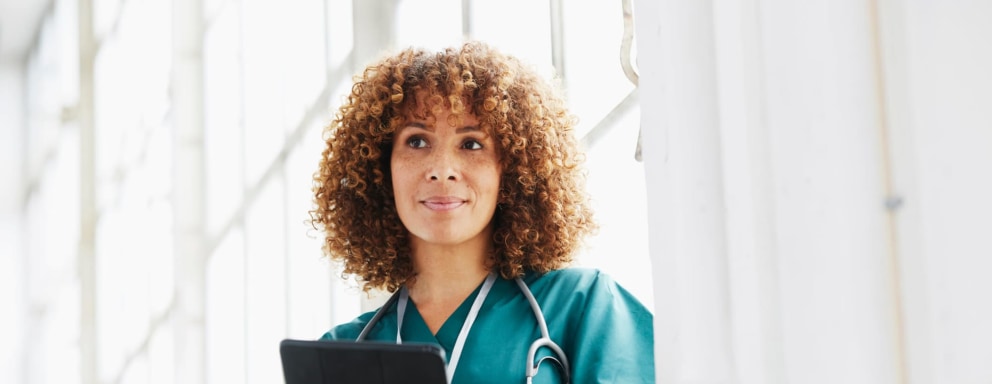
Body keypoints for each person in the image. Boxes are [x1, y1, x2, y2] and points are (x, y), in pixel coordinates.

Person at [309, 41, 654, 383]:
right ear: (381, 167)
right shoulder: (344, 352)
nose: (442, 169)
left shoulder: (582, 308)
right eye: (416, 141)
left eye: (471, 144)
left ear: (514, 168)